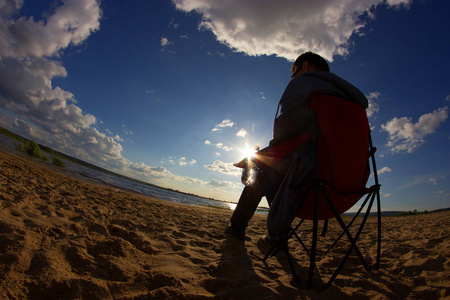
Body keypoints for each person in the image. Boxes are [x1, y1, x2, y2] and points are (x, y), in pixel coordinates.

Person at [225, 52, 369, 240]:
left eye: (294, 72)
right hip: (348, 192)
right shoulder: (357, 104)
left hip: (309, 187)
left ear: (306, 66)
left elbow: (284, 137)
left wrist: (258, 158)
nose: (293, 77)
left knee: (260, 172)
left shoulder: (302, 84)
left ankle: (239, 229)